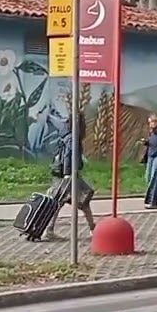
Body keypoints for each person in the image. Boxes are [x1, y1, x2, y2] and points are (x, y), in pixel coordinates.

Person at [46, 103, 96, 241]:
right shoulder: (73, 137)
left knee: (76, 201)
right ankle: (93, 229)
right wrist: (69, 173)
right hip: (71, 175)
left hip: (68, 175)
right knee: (77, 201)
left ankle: (93, 229)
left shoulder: (66, 133)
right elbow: (69, 154)